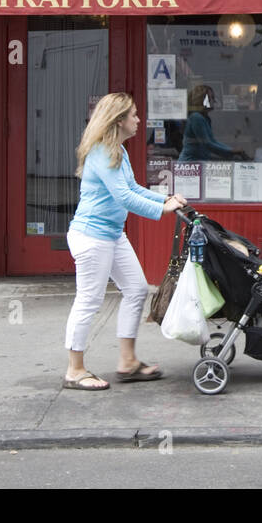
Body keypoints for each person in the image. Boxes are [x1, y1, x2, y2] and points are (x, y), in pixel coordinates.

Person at [63, 92, 187, 391]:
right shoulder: (104, 153)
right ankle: (74, 370)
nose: (138, 119)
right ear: (119, 120)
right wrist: (161, 208)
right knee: (89, 301)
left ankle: (127, 361)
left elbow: (131, 187)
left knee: (136, 289)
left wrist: (163, 198)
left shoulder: (118, 149)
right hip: (92, 236)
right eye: (133, 114)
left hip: (112, 234)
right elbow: (123, 197)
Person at [178, 84, 242, 161]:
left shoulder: (204, 118)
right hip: (190, 163)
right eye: (211, 98)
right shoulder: (196, 118)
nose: (214, 101)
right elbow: (207, 143)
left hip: (199, 162)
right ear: (201, 100)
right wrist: (231, 151)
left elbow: (212, 141)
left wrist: (231, 151)